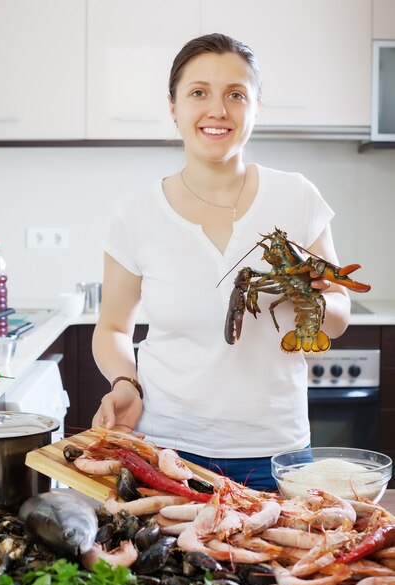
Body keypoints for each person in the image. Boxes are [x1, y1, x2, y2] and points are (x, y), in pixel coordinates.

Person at [91, 33, 351, 491]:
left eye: (236, 95)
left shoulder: (297, 196)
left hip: (277, 452)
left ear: (257, 107)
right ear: (173, 106)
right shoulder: (135, 213)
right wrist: (123, 382)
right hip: (166, 448)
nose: (218, 110)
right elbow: (113, 328)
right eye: (198, 93)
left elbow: (338, 317)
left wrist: (310, 297)